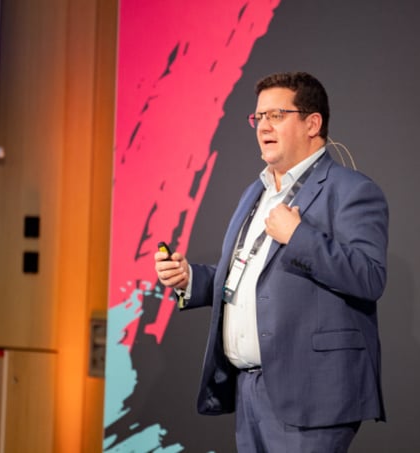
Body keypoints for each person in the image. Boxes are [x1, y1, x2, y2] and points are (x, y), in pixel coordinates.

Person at [155, 71, 388, 452]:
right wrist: (190, 280)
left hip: (313, 396)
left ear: (312, 123)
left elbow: (369, 277)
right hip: (250, 391)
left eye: (276, 115)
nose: (263, 125)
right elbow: (249, 277)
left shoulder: (352, 190)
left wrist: (299, 237)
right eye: (259, 117)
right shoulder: (256, 192)